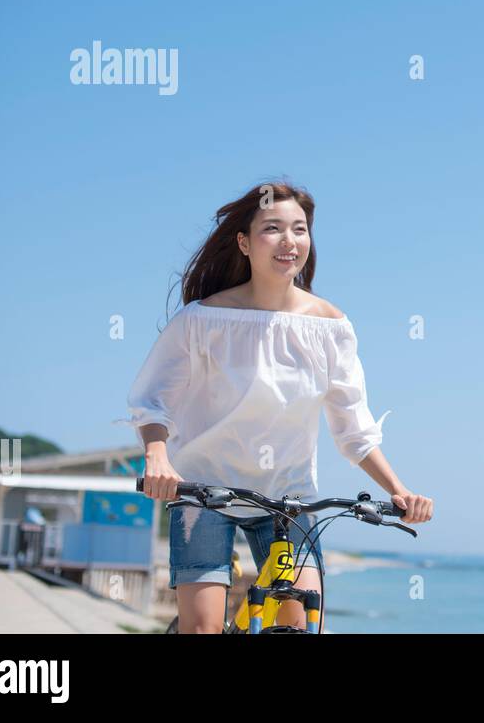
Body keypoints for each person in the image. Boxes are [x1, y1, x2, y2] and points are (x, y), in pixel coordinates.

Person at [114, 180, 433, 632]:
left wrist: (399, 491)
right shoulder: (202, 319)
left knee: (302, 621)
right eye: (273, 229)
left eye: (300, 230)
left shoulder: (331, 327)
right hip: (204, 493)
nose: (289, 241)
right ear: (244, 242)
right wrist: (157, 457)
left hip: (289, 499)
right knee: (203, 628)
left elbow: (354, 429)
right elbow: (152, 400)